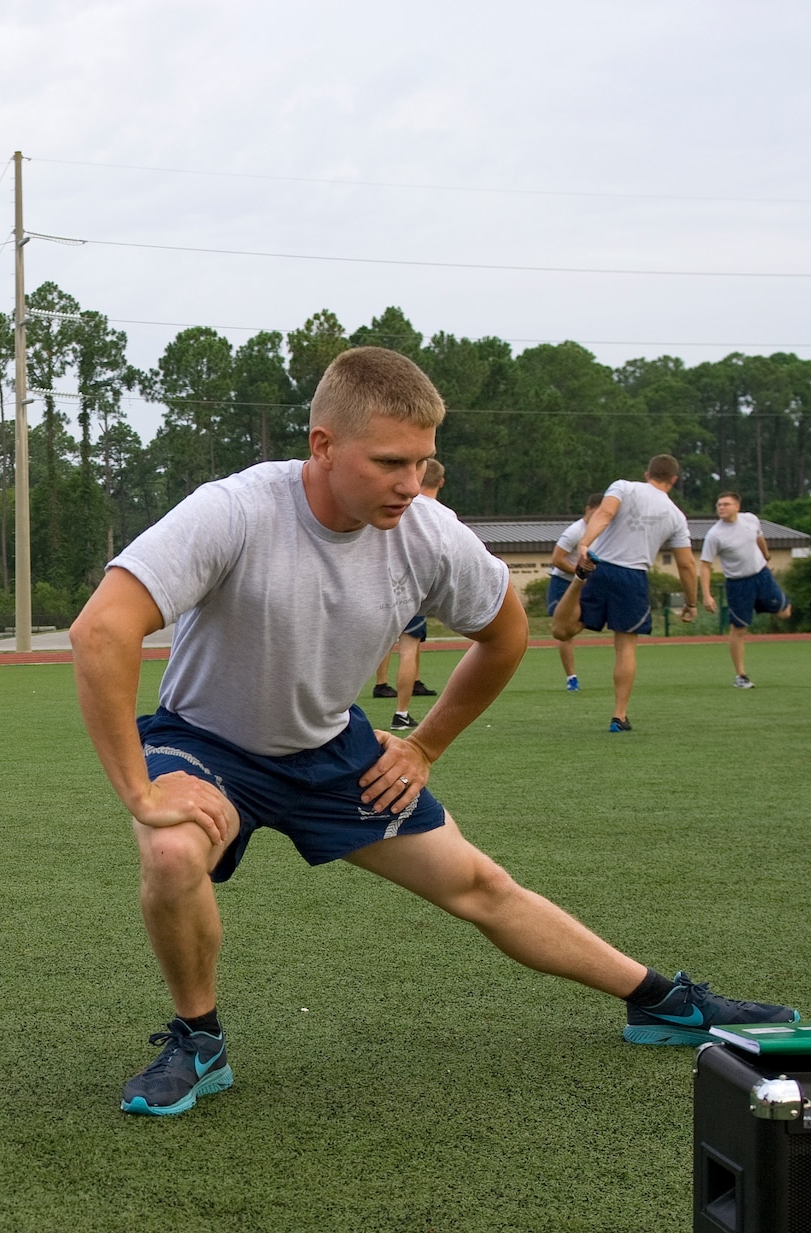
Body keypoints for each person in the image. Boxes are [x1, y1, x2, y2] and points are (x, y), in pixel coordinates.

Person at [69, 347, 796, 1117]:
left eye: (423, 462)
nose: (410, 483)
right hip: (207, 743)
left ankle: (661, 1000)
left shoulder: (429, 532)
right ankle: (199, 1038)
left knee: (481, 884)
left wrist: (424, 744)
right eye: (389, 462)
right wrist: (142, 790)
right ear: (322, 445)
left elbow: (507, 633)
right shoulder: (236, 510)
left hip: (330, 750)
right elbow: (102, 632)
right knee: (176, 848)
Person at [550, 455, 698, 732]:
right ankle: (619, 716)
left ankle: (578, 580)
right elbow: (687, 564)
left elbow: (604, 515)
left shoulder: (624, 487)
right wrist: (691, 602)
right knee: (626, 647)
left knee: (562, 631)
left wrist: (584, 543)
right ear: (674, 480)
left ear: (647, 473)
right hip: (633, 576)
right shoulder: (677, 515)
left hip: (600, 567)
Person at [698, 490, 791, 687]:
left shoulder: (750, 519)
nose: (721, 507)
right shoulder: (715, 535)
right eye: (719, 505)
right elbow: (705, 565)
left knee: (785, 613)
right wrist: (707, 595)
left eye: (726, 504)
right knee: (739, 628)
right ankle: (741, 676)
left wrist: (766, 555)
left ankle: (764, 602)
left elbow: (759, 538)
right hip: (738, 584)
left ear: (737, 507)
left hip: (761, 575)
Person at [386, 457, 445, 729]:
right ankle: (401, 713)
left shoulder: (393, 506)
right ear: (441, 482)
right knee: (408, 650)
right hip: (409, 590)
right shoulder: (438, 515)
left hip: (381, 586)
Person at [544, 494, 605, 691]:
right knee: (564, 633)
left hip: (585, 585)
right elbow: (557, 559)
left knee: (585, 623)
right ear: (588, 509)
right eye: (596, 513)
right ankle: (572, 678)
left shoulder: (602, 532)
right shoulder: (574, 532)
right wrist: (580, 573)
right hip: (563, 584)